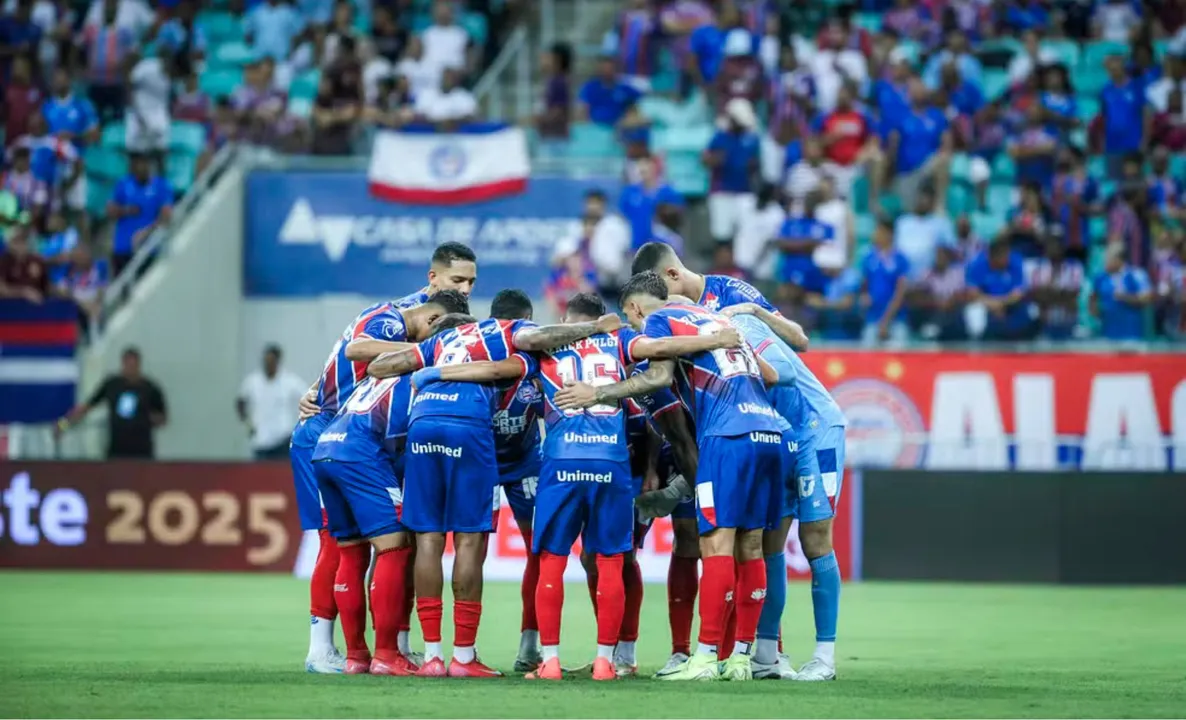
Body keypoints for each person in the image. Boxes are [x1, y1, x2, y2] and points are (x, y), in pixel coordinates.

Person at [364, 301, 625, 678]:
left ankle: (433, 656)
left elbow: (378, 367)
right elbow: (523, 348)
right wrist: (598, 326)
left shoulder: (443, 341)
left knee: (427, 540)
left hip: (425, 423)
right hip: (473, 430)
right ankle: (464, 658)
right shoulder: (508, 334)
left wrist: (431, 372)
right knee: (471, 541)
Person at [555, 271, 785, 682]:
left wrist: (599, 393)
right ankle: (740, 660)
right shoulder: (718, 321)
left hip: (727, 436)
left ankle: (705, 657)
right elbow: (770, 376)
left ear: (635, 308)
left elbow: (658, 375)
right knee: (751, 545)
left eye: (633, 321)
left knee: (715, 541)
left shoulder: (660, 321)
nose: (637, 332)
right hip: (769, 432)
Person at [291, 286, 472, 674]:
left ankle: (356, 656)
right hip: (358, 452)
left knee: (352, 551)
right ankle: (387, 656)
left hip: (326, 446)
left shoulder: (382, 365)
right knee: (396, 548)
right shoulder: (422, 373)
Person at [718, 305, 847, 682]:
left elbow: (786, 372)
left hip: (814, 429)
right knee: (768, 540)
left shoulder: (737, 324)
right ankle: (767, 653)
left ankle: (825, 657)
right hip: (777, 435)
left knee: (815, 539)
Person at [58, 347, 166, 459]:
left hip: (142, 451)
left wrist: (143, 415)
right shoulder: (113, 385)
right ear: (123, 364)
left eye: (134, 364)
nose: (131, 368)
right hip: (116, 449)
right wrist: (63, 424)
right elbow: (86, 407)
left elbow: (162, 419)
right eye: (128, 364)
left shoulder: (150, 388)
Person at [703, 98, 761, 246]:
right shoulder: (720, 137)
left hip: (744, 192)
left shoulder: (752, 137)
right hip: (722, 191)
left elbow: (756, 164)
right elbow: (705, 160)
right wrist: (718, 158)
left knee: (745, 234)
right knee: (722, 235)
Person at [108, 152, 173, 277]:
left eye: (145, 164)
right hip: (123, 246)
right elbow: (110, 210)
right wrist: (126, 210)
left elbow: (166, 216)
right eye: (138, 164)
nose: (142, 168)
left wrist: (146, 232)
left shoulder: (161, 185)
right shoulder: (123, 184)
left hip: (149, 248)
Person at [237, 344, 307, 460]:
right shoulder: (253, 381)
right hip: (260, 440)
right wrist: (247, 424)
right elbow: (240, 402)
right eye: (266, 361)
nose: (268, 364)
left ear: (278, 361)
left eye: (271, 361)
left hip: (282, 439)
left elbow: (309, 396)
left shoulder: (289, 381)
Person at [966, 237, 1033, 341]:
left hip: (1010, 304)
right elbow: (973, 293)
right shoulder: (978, 264)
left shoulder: (1015, 261)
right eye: (1003, 256)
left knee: (1027, 312)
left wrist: (1001, 304)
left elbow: (1018, 293)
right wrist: (992, 305)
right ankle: (978, 344)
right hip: (986, 305)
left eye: (1007, 255)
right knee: (974, 311)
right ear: (992, 256)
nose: (1007, 259)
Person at [861, 218, 911, 345]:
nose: (875, 234)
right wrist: (864, 295)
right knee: (866, 358)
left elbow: (901, 292)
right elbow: (864, 282)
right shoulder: (869, 257)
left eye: (879, 231)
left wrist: (886, 320)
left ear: (889, 234)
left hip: (896, 320)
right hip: (873, 318)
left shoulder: (900, 259)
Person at [1092, 242, 1154, 340]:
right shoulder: (1101, 278)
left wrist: (1125, 297)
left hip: (1133, 336)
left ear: (1119, 259)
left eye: (1108, 258)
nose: (1104, 262)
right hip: (1108, 335)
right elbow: (1093, 300)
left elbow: (1147, 297)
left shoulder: (1137, 274)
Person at [0, 225, 48, 303]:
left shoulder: (37, 261)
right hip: (10, 308)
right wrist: (23, 292)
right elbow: (1, 288)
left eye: (23, 240)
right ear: (8, 244)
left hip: (35, 310)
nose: (20, 244)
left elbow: (46, 286)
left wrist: (61, 292)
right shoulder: (4, 261)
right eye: (16, 241)